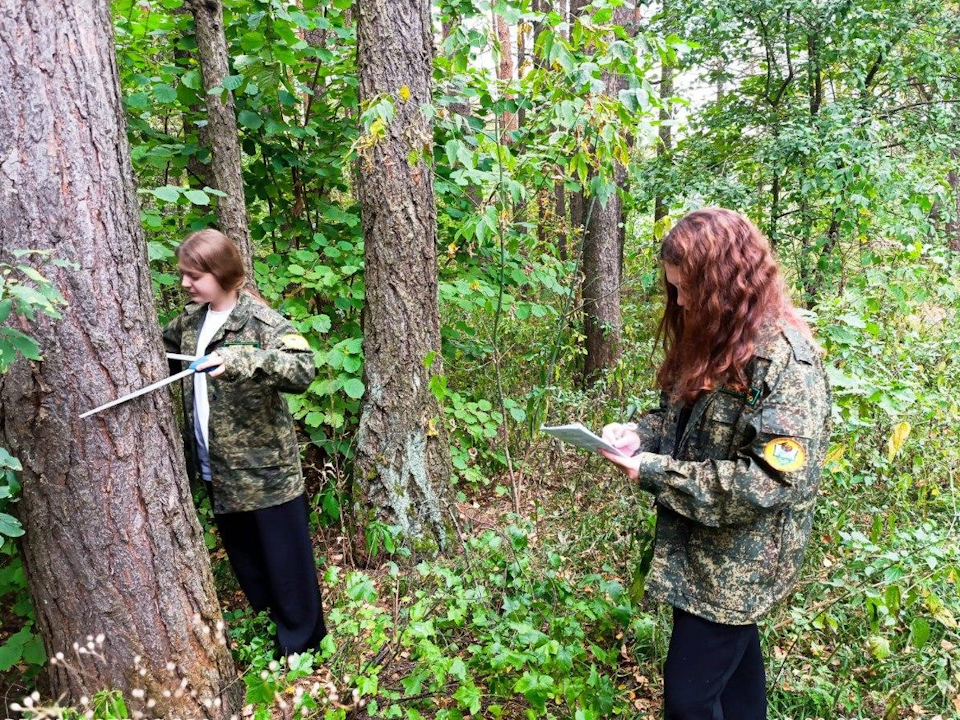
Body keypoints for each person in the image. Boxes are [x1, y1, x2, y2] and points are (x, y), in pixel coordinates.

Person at [599, 208, 831, 720]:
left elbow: (768, 481)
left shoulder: (786, 363)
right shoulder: (715, 339)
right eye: (673, 287)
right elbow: (678, 420)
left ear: (724, 285)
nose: (678, 301)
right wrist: (637, 435)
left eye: (688, 290)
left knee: (689, 701)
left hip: (737, 565)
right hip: (701, 554)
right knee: (737, 691)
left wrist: (654, 472)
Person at [162, 229, 327, 657]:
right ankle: (272, 632)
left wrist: (242, 358)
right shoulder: (189, 321)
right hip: (218, 469)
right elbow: (156, 353)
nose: (185, 284)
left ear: (220, 273)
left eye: (193, 275)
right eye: (184, 275)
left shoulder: (262, 322)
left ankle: (303, 647)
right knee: (249, 563)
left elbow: (302, 369)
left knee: (286, 565)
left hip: (266, 473)